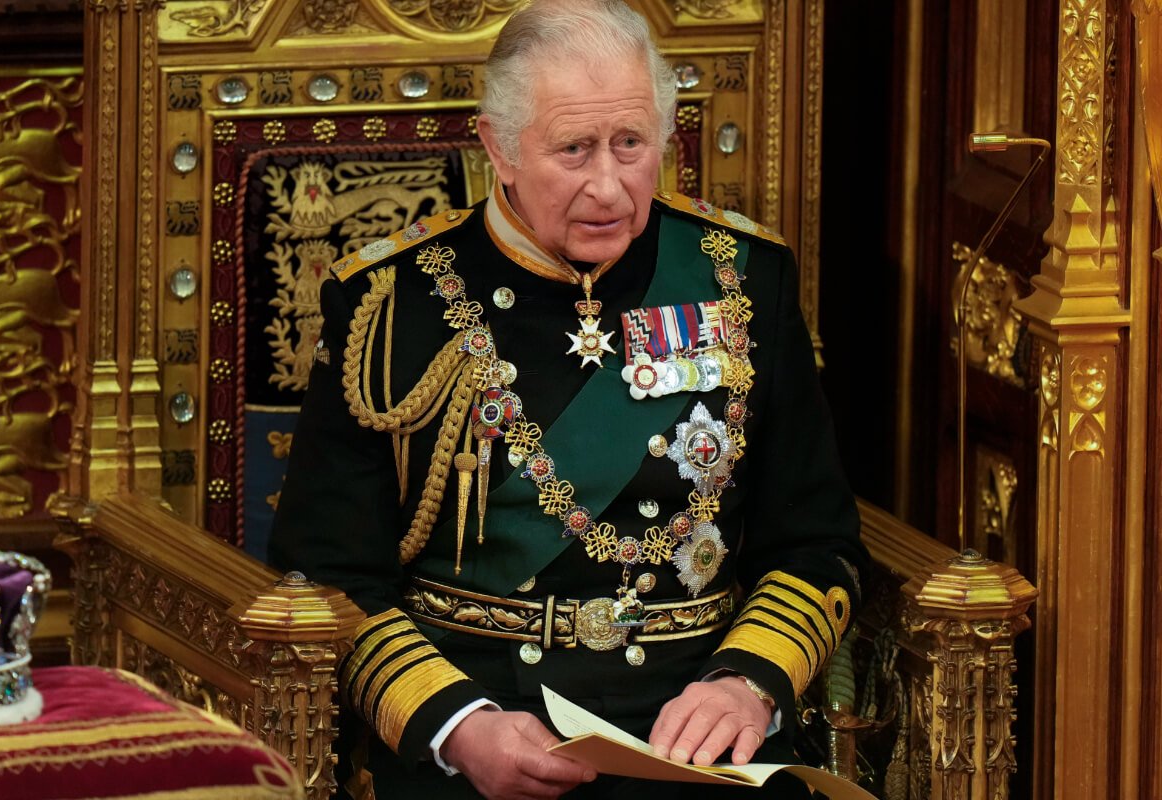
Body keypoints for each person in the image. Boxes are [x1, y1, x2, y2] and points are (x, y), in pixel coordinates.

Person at [270, 1, 866, 797]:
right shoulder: (391, 303)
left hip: (700, 723)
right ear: (498, 147)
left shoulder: (743, 277)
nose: (609, 186)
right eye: (574, 150)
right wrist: (456, 726)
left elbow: (815, 539)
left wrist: (747, 683)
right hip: (480, 720)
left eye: (631, 144)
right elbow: (327, 574)